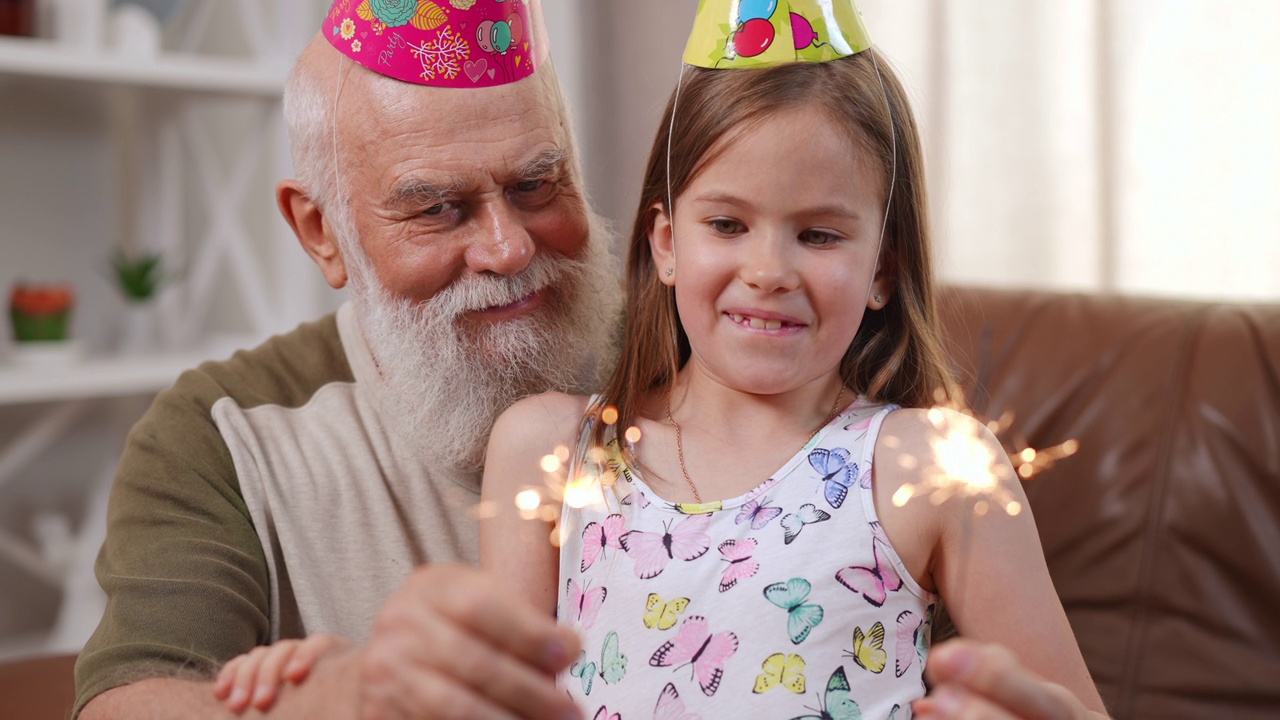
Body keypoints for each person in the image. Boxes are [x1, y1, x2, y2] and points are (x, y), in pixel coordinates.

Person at [212, 3, 1110, 719]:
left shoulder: (936, 469)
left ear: (883, 268)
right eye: (728, 224)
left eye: (820, 233)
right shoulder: (548, 452)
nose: (768, 269)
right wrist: (340, 693)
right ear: (666, 243)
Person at [73, 1, 616, 719]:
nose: (508, 247)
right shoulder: (220, 432)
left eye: (536, 185)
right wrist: (343, 699)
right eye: (438, 208)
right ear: (320, 231)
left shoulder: (694, 353)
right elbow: (125, 706)